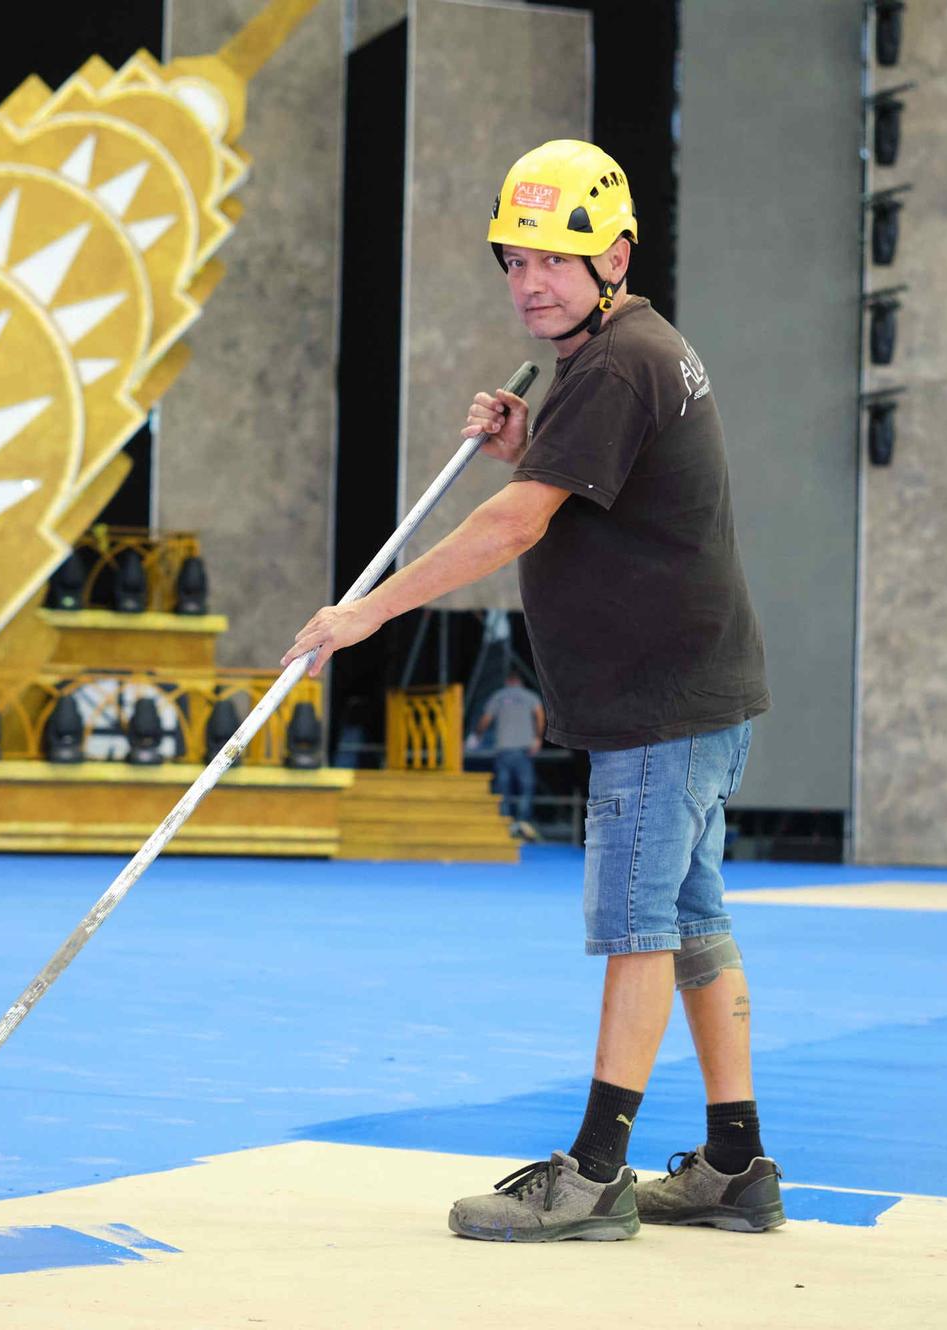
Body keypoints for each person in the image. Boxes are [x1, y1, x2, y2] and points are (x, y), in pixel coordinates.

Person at [284, 140, 776, 1243]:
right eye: (513, 261)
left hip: (662, 705)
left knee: (639, 926)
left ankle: (595, 1172)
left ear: (613, 253)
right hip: (696, 692)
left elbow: (516, 527)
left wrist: (365, 612)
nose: (529, 283)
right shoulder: (620, 354)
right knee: (690, 920)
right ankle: (736, 1162)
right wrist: (527, 448)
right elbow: (587, 499)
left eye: (553, 259)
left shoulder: (610, 363)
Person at [473, 669, 544, 838]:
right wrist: (538, 738)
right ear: (520, 682)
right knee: (525, 789)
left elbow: (486, 719)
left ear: (507, 682)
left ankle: (505, 824)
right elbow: (540, 715)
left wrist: (477, 735)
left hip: (504, 750)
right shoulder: (529, 696)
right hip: (523, 750)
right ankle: (523, 823)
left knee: (503, 788)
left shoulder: (498, 696)